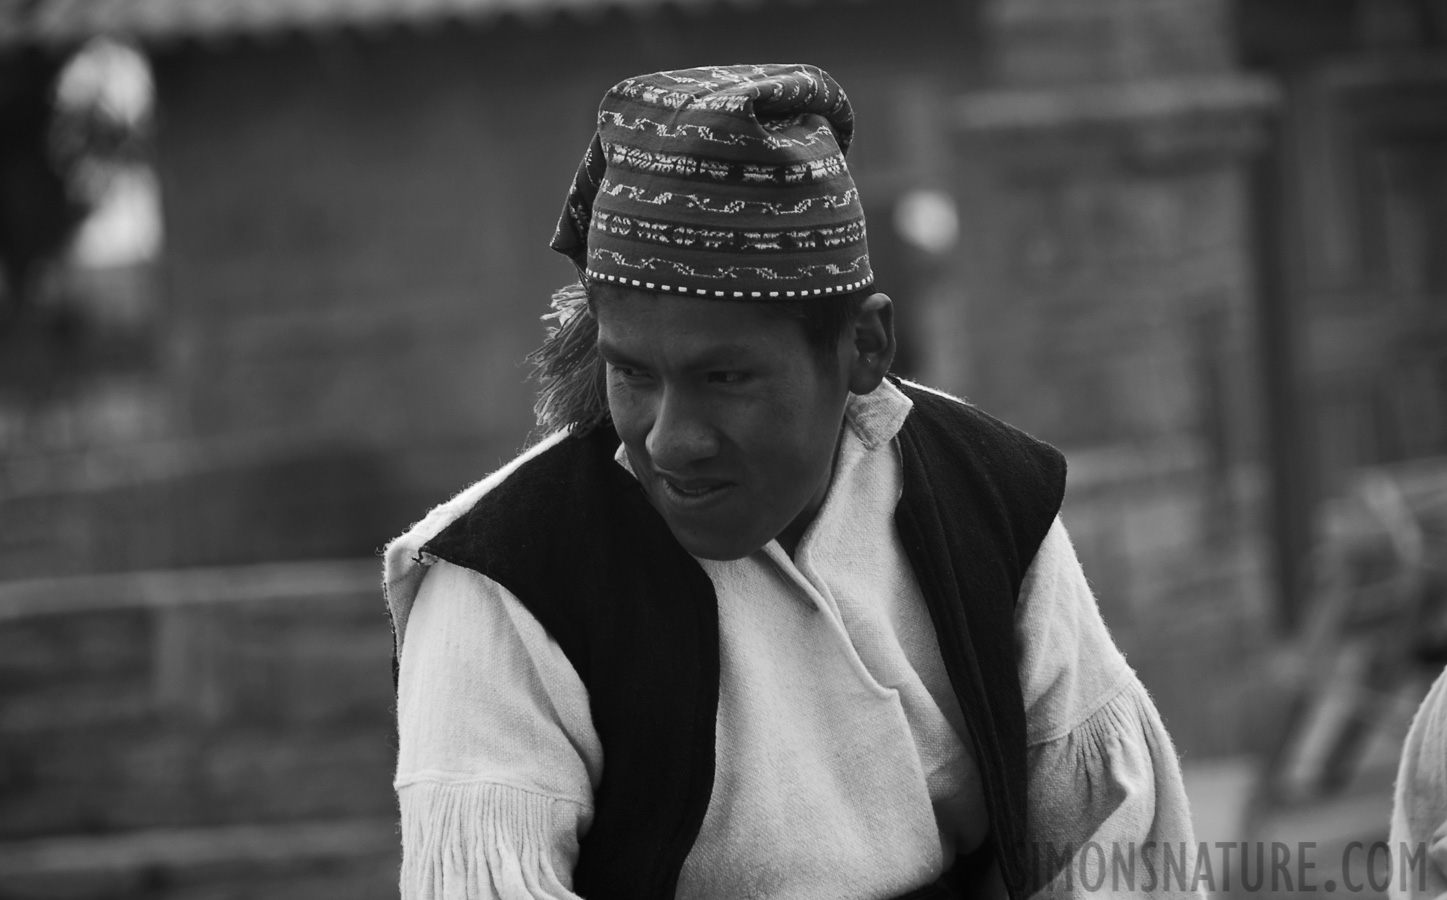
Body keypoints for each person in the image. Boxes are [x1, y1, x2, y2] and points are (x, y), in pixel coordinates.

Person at [383, 63, 1199, 900]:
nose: (672, 440)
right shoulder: (505, 578)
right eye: (632, 375)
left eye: (726, 378)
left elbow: (1112, 844)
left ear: (864, 348)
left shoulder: (978, 487)